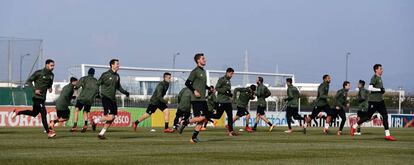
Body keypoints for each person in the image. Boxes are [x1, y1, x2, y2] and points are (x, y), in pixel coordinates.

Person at [351, 64, 396, 141]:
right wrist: (380, 90)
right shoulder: (374, 78)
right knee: (367, 117)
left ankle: (387, 135)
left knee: (385, 116)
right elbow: (370, 88)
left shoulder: (380, 78)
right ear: (376, 70)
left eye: (382, 69)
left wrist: (382, 90)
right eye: (380, 69)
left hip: (380, 101)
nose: (382, 70)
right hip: (373, 101)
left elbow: (378, 89)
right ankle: (354, 126)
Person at [12, 59, 56, 138]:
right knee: (43, 113)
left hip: (42, 98)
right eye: (51, 65)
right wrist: (34, 90)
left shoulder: (52, 75)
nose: (53, 67)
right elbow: (29, 81)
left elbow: (50, 84)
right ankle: (48, 132)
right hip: (36, 98)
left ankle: (18, 112)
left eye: (53, 65)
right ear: (46, 65)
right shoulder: (39, 73)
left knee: (34, 113)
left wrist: (50, 88)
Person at [178, 53, 212, 143]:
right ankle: (185, 122)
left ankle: (193, 138)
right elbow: (187, 83)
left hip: (203, 99)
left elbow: (203, 85)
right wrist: (194, 91)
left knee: (204, 119)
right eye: (203, 58)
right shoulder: (195, 71)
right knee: (201, 118)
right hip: (196, 99)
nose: (205, 60)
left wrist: (209, 88)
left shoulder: (203, 71)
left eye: (204, 58)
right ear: (198, 60)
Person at [96, 59, 130, 139]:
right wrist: (97, 93)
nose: (118, 65)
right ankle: (95, 121)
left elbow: (118, 87)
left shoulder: (117, 76)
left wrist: (125, 92)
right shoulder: (105, 74)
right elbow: (97, 83)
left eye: (118, 64)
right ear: (112, 65)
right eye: (117, 64)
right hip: (105, 97)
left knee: (112, 118)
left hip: (113, 99)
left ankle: (101, 133)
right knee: (110, 117)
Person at [71, 68, 99, 133]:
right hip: (90, 99)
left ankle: (75, 126)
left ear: (88, 72)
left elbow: (77, 86)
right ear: (93, 73)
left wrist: (74, 90)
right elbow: (97, 92)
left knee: (76, 110)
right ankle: (86, 124)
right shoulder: (96, 80)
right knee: (86, 111)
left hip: (82, 98)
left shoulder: (84, 78)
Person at [211, 68, 237, 136]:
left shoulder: (229, 80)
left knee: (230, 116)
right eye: (231, 74)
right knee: (217, 116)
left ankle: (231, 131)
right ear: (227, 72)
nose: (232, 75)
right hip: (221, 101)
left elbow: (227, 90)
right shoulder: (221, 79)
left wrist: (230, 94)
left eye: (232, 74)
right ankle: (206, 115)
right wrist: (225, 91)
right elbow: (217, 88)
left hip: (227, 101)